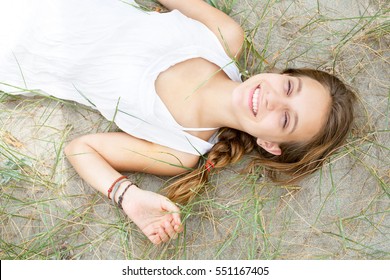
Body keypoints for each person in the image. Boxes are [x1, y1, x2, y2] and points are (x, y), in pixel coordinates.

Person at [0, 0, 356, 245]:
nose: (273, 98)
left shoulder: (179, 149)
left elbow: (81, 149)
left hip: (15, 51)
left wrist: (129, 197)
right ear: (281, 74)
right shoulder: (223, 36)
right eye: (289, 86)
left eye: (285, 118)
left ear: (270, 144)